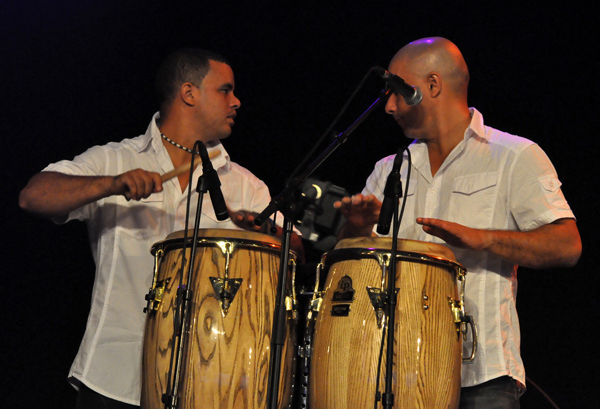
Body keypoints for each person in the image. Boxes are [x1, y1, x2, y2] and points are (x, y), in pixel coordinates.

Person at [19, 49, 300, 408]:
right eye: (225, 90)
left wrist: (265, 232)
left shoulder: (244, 185)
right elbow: (34, 196)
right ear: (189, 93)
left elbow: (295, 253)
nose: (236, 101)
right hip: (116, 376)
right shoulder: (117, 159)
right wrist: (110, 184)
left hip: (211, 382)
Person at [334, 37, 581, 408]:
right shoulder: (388, 170)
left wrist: (481, 239)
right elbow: (350, 263)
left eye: (399, 92)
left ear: (432, 86)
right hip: (392, 370)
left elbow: (567, 246)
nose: (389, 106)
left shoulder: (514, 156)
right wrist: (354, 228)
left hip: (481, 376)